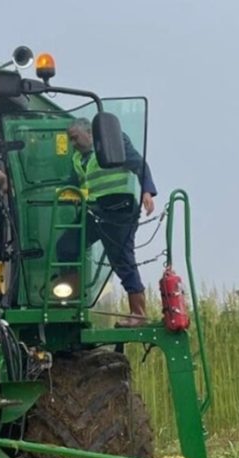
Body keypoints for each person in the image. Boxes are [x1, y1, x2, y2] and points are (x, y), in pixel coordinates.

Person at [56, 117, 157, 327]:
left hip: (119, 211)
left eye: (75, 139)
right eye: (70, 140)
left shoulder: (114, 142)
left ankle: (138, 313)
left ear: (89, 133)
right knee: (66, 246)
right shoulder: (77, 158)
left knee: (121, 258)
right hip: (94, 212)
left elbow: (139, 164)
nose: (73, 144)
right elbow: (74, 184)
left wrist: (147, 191)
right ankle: (70, 300)